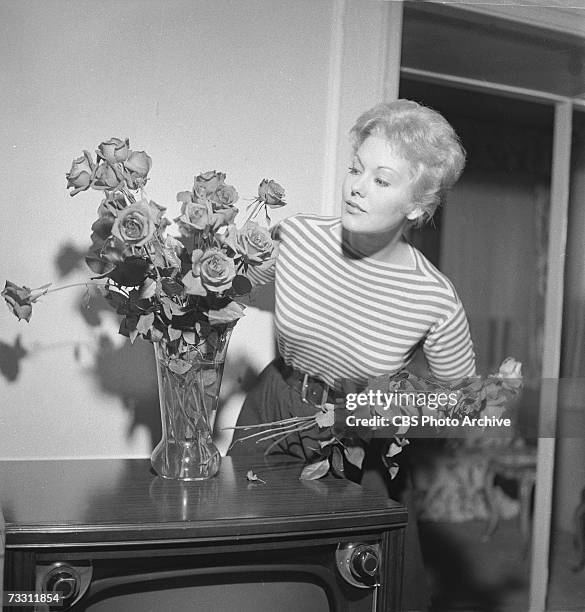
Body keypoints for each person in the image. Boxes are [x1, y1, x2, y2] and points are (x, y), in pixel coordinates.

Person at [229, 99, 476, 611]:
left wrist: (401, 407)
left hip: (357, 437)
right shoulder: (296, 238)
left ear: (417, 205)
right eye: (354, 169)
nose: (356, 187)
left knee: (358, 589)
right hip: (275, 408)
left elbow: (462, 401)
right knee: (246, 567)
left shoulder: (434, 296)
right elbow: (220, 286)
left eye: (381, 180)